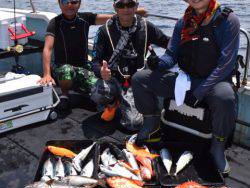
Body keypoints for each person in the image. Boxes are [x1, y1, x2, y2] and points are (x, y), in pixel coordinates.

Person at [131, 0, 240, 174]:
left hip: (215, 81)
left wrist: (200, 92)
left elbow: (226, 64)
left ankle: (218, 146)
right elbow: (171, 55)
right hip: (186, 79)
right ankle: (152, 124)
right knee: (140, 79)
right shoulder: (183, 22)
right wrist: (158, 63)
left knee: (225, 97)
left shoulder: (228, 20)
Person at [38, 0, 147, 113]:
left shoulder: (85, 18)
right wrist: (47, 74)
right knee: (66, 72)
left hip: (83, 67)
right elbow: (48, 48)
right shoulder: (54, 23)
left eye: (74, 1)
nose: (69, 5)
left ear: (79, 4)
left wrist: (132, 11)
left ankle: (87, 90)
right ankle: (65, 95)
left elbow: (112, 17)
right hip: (61, 67)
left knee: (102, 90)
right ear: (59, 3)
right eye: (65, 1)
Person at [91, 0, 169, 131]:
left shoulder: (147, 27)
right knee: (96, 93)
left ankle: (123, 104)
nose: (126, 9)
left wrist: (163, 60)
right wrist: (101, 71)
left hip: (135, 80)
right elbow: (94, 62)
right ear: (115, 7)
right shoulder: (104, 31)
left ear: (136, 6)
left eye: (130, 4)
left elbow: (169, 43)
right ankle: (112, 103)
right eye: (121, 5)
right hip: (113, 77)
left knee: (134, 124)